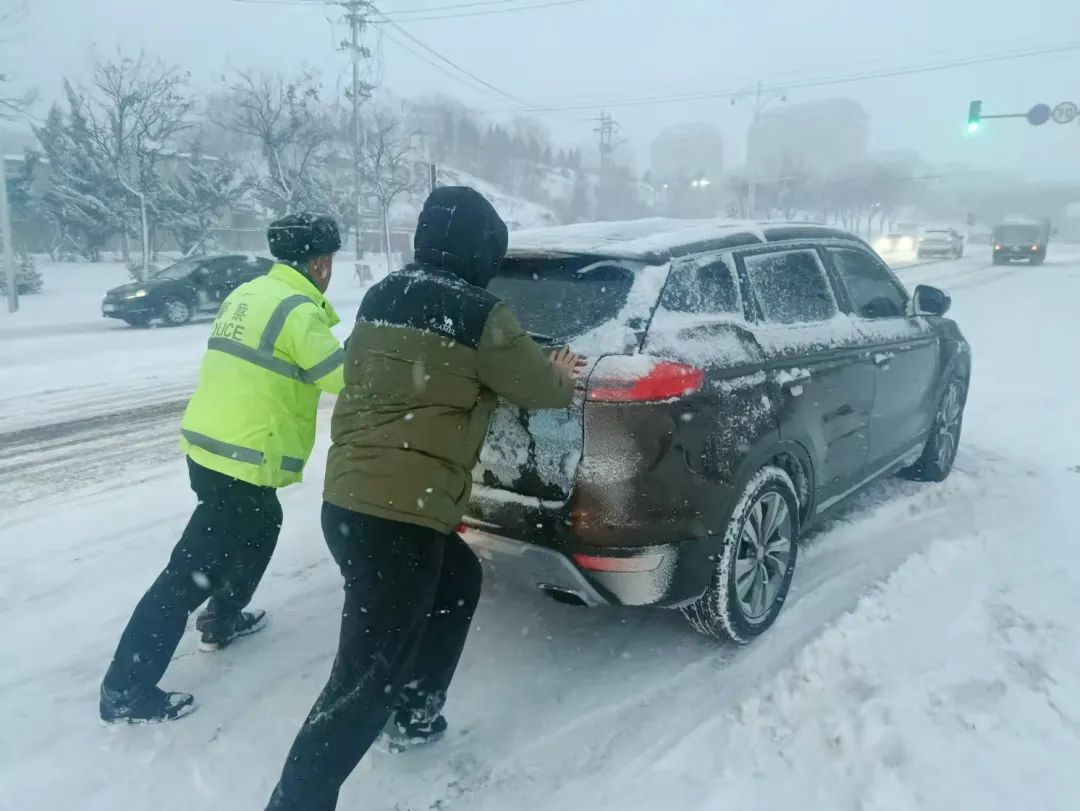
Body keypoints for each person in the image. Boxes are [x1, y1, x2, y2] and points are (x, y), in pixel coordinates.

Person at [265, 186, 585, 810]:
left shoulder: (384, 294)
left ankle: (414, 711)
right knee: (361, 680)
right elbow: (539, 388)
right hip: (400, 520)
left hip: (350, 504)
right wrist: (564, 371)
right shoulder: (480, 315)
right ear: (482, 247)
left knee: (457, 578)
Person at [99, 213, 347, 724]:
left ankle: (224, 617)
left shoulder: (250, 293)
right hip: (241, 460)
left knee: (262, 525)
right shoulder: (300, 312)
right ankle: (125, 688)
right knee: (188, 574)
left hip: (209, 448)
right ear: (321, 263)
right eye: (330, 263)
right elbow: (346, 380)